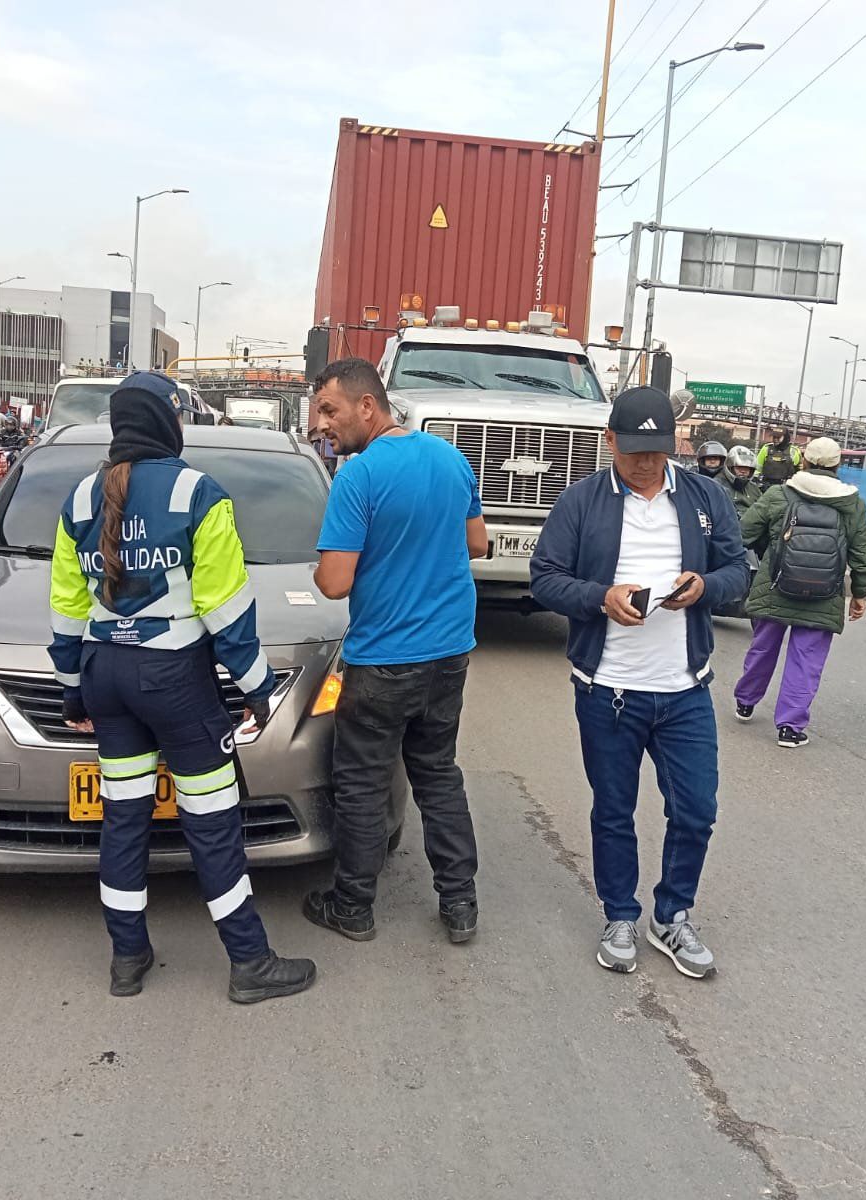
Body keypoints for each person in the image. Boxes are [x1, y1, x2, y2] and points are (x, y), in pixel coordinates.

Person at [48, 371, 316, 1004]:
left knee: (125, 819)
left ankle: (127, 958)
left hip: (105, 675)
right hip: (176, 680)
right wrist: (256, 689)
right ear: (171, 424)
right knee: (212, 822)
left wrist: (71, 692)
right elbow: (225, 609)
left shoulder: (80, 499)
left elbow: (64, 607)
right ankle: (250, 962)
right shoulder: (198, 493)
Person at [529, 386, 748, 979]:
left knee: (697, 810)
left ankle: (671, 916)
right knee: (613, 809)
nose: (645, 463)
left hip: (685, 689)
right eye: (632, 453)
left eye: (655, 450)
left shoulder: (705, 496)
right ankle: (620, 914)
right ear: (610, 444)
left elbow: (740, 572)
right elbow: (545, 579)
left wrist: (705, 587)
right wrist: (600, 598)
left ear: (672, 444)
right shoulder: (580, 503)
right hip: (609, 690)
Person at [303, 358, 488, 944]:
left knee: (361, 780)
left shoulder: (358, 478)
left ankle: (352, 906)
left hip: (384, 659)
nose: (323, 425)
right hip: (450, 653)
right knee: (437, 772)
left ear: (367, 404)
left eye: (330, 411)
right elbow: (477, 543)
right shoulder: (450, 457)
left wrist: (317, 570)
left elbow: (334, 582)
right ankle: (460, 904)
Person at [732, 437, 866, 748]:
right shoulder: (852, 504)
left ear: (804, 462)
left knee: (763, 647)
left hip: (775, 585)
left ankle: (746, 701)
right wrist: (860, 594)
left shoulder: (779, 494)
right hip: (823, 594)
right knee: (806, 660)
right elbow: (862, 554)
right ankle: (790, 728)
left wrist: (768, 551)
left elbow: (744, 533)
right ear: (838, 466)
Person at [721, 445, 762, 514]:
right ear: (730, 467)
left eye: (747, 468)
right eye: (739, 467)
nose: (743, 471)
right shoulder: (717, 485)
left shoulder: (754, 489)